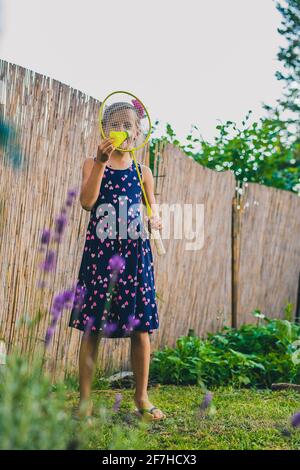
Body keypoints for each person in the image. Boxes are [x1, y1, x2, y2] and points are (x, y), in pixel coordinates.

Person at [69, 101, 166, 421]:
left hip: (136, 256)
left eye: (129, 124)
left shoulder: (144, 172)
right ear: (104, 129)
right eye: (116, 124)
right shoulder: (92, 163)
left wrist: (156, 221)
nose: (123, 129)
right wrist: (99, 162)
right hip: (101, 255)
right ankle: (84, 401)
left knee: (141, 329)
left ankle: (141, 397)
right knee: (91, 327)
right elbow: (86, 202)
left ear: (138, 132)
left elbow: (152, 208)